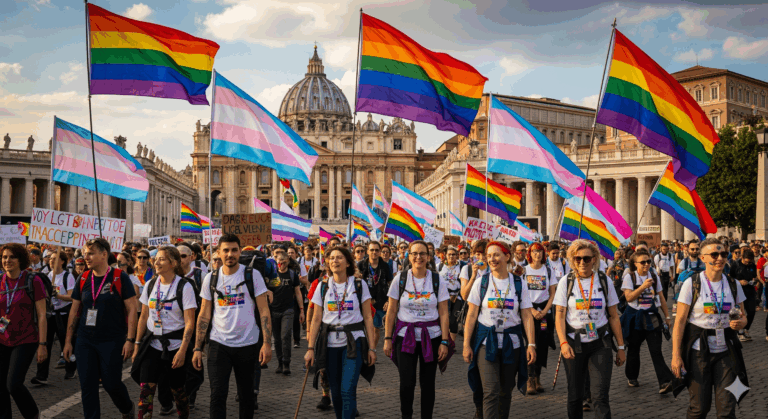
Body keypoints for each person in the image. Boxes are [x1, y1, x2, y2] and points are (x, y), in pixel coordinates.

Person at [192, 233, 272, 419]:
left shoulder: (253, 275)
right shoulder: (210, 279)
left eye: (234, 250)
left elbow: (264, 311)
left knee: (246, 396)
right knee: (217, 394)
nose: (230, 254)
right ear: (218, 252)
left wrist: (267, 343)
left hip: (248, 344)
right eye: (225, 250)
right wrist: (197, 347)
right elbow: (204, 314)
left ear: (240, 251)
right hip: (218, 344)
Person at [671, 238, 749, 418]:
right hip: (699, 352)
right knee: (699, 408)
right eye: (714, 254)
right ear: (703, 258)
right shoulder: (692, 284)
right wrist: (676, 355)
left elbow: (743, 317)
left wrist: (741, 323)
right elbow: (680, 321)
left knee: (727, 409)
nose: (720, 258)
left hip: (727, 352)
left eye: (723, 254)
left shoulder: (733, 284)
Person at [63, 238, 138, 419]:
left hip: (112, 340)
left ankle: (127, 407)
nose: (86, 257)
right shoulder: (83, 278)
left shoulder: (120, 277)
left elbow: (132, 309)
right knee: (88, 386)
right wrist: (68, 341)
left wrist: (130, 340)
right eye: (84, 253)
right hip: (85, 339)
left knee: (111, 383)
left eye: (90, 253)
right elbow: (74, 311)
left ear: (104, 254)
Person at [463, 241, 536, 419]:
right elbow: (471, 315)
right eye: (489, 256)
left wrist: (532, 344)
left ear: (507, 256)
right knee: (491, 391)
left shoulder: (519, 283)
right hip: (486, 342)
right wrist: (466, 344)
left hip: (512, 342)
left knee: (506, 391)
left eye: (496, 255)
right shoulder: (482, 282)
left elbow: (526, 315)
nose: (492, 259)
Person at [554, 239, 625, 419]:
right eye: (577, 259)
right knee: (575, 395)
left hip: (600, 342)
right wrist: (563, 342)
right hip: (574, 342)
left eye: (586, 258)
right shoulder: (566, 281)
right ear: (572, 260)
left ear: (594, 259)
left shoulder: (604, 280)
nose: (582, 263)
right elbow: (560, 316)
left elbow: (614, 316)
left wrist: (622, 347)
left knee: (600, 396)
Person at [306, 247, 376, 419]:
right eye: (332, 258)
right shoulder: (323, 286)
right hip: (328, 344)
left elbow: (368, 317)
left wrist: (372, 348)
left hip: (354, 342)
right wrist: (310, 348)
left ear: (347, 262)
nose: (334, 261)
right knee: (335, 393)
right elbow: (316, 319)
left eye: (339, 258)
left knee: (347, 390)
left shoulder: (359, 285)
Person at [383, 240, 450, 419]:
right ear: (409, 256)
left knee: (428, 384)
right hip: (405, 337)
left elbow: (444, 313)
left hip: (432, 337)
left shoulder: (437, 280)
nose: (418, 257)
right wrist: (387, 338)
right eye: (414, 253)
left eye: (422, 254)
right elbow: (391, 311)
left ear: (428, 257)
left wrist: (444, 341)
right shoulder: (400, 278)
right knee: (407, 383)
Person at [132, 246, 197, 419]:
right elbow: (144, 316)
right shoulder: (150, 284)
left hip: (175, 346)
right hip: (152, 345)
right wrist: (137, 344)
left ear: (173, 263)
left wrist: (183, 350)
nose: (156, 262)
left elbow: (190, 322)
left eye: (161, 259)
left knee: (178, 391)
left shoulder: (185, 286)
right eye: (156, 259)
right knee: (146, 391)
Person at [1, 243, 48, 419]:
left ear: (20, 259)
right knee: (0, 386)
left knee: (13, 384)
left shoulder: (32, 280)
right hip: (2, 339)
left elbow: (42, 315)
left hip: (26, 339)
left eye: (12, 257)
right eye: (4, 257)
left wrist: (42, 344)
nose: (7, 260)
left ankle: (33, 415)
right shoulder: (0, 281)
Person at [619, 249, 674, 392]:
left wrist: (667, 316)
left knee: (656, 350)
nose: (646, 264)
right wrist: (643, 287)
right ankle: (632, 376)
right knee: (634, 349)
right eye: (643, 262)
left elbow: (661, 297)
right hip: (635, 317)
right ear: (635, 264)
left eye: (648, 261)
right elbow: (629, 297)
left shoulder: (654, 276)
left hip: (651, 317)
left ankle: (664, 382)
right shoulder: (630, 277)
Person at [33, 249, 77, 384]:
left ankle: (70, 369)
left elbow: (72, 297)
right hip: (49, 315)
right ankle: (41, 375)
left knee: (66, 342)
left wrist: (58, 296)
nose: (51, 261)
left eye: (54, 258)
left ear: (62, 261)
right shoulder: (46, 275)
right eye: (50, 259)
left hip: (63, 315)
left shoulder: (67, 276)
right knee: (45, 343)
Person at [459, 239, 490, 418]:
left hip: (491, 324)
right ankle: (479, 405)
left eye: (484, 254)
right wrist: (473, 275)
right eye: (478, 254)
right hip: (474, 323)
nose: (481, 257)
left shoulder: (496, 269)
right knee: (476, 367)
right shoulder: (468, 269)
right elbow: (464, 294)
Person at [522, 242, 558, 395]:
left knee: (542, 344)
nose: (537, 254)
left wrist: (544, 311)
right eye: (534, 251)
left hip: (544, 314)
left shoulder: (548, 271)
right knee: (530, 344)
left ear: (544, 254)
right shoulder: (523, 270)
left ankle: (538, 377)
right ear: (530, 253)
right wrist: (531, 310)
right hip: (528, 311)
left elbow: (552, 294)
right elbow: (520, 293)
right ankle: (529, 378)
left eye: (540, 251)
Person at [267, 252, 304, 375]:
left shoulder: (292, 275)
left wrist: (302, 310)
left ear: (287, 261)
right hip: (274, 310)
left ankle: (286, 363)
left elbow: (298, 293)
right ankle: (280, 362)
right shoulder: (273, 276)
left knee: (285, 336)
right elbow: (268, 292)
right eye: (278, 261)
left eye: (283, 261)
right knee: (276, 339)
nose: (280, 264)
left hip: (288, 310)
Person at [358, 241, 393, 351]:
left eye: (377, 250)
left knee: (376, 328)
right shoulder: (361, 265)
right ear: (367, 251)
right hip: (363, 301)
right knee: (362, 328)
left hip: (380, 302)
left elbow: (390, 284)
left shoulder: (385, 266)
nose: (374, 252)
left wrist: (389, 300)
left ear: (380, 252)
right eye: (372, 250)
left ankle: (371, 349)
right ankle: (364, 349)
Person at [729, 248, 757, 342]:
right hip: (738, 290)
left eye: (749, 262)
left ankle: (745, 329)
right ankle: (739, 332)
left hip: (750, 290)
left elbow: (754, 275)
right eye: (746, 262)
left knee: (752, 311)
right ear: (742, 258)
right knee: (740, 312)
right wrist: (739, 282)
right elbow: (730, 277)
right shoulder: (736, 264)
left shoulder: (752, 265)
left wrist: (754, 281)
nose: (748, 264)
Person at [439, 246, 463, 342]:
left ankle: (451, 343)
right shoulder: (440, 266)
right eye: (449, 254)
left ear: (457, 256)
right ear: (445, 255)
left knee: (454, 320)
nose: (451, 256)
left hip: (457, 297)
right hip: (444, 297)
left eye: (453, 254)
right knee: (445, 318)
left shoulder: (461, 267)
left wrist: (458, 295)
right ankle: (443, 339)